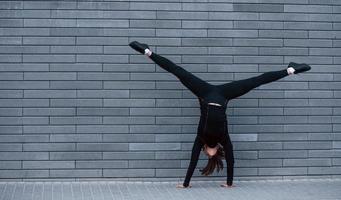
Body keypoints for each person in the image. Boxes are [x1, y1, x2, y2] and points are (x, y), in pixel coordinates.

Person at [129, 41, 311, 188]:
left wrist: (185, 184)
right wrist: (230, 183)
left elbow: (192, 162)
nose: (209, 153)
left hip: (205, 93)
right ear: (216, 152)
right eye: (211, 155)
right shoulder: (224, 138)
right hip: (223, 95)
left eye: (207, 154)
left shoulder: (200, 138)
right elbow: (231, 160)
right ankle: (290, 70)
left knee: (179, 72)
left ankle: (147, 51)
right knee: (255, 82)